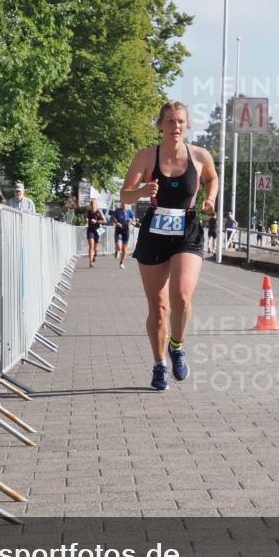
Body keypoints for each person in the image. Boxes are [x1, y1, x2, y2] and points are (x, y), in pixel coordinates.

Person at [121, 100, 217, 391]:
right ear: (160, 125)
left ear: (187, 125)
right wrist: (141, 191)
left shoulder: (200, 155)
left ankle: (177, 345)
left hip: (187, 228)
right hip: (154, 232)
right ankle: (159, 363)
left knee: (182, 295)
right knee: (159, 307)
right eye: (170, 121)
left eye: (180, 121)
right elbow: (125, 195)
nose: (176, 126)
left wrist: (210, 199)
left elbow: (212, 177)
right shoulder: (147, 156)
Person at [110, 202, 135, 268]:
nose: (124, 204)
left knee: (124, 248)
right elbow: (112, 218)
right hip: (118, 230)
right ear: (121, 204)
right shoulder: (117, 211)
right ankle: (117, 250)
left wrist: (131, 221)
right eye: (123, 203)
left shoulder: (130, 212)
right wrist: (117, 222)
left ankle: (121, 263)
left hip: (126, 231)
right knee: (119, 246)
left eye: (126, 203)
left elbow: (134, 223)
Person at [85, 199, 105, 267]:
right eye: (92, 204)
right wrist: (86, 219)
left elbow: (104, 220)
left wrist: (96, 221)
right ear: (90, 205)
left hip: (97, 230)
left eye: (94, 203)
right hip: (90, 230)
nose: (93, 205)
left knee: (95, 248)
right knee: (91, 246)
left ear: (96, 205)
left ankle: (95, 255)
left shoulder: (99, 212)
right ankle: (90, 262)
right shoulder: (88, 212)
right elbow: (86, 218)